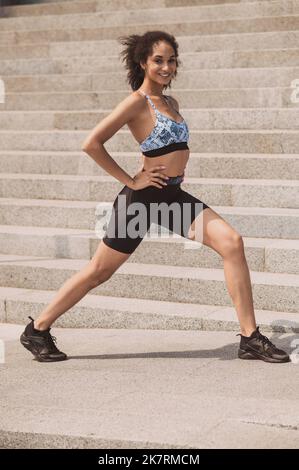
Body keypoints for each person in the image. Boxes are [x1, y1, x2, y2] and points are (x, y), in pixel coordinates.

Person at [20, 31, 290, 364]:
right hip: (142, 201)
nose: (166, 66)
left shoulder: (170, 103)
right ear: (143, 63)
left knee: (232, 242)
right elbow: (91, 143)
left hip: (172, 198)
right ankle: (39, 328)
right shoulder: (137, 102)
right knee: (99, 272)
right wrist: (130, 178)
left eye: (171, 60)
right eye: (158, 60)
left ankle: (250, 338)